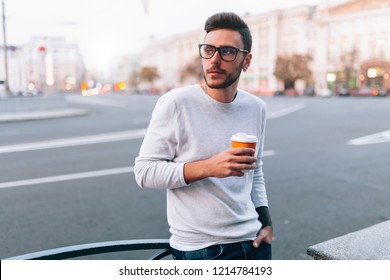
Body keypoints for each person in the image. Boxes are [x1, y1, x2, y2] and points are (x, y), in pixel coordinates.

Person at [134, 12, 273, 260]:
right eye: (208, 49)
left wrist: (266, 222)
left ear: (246, 60)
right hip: (201, 250)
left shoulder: (256, 107)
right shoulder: (176, 102)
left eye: (227, 52)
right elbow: (144, 172)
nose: (214, 60)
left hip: (254, 244)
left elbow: (256, 170)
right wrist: (208, 167)